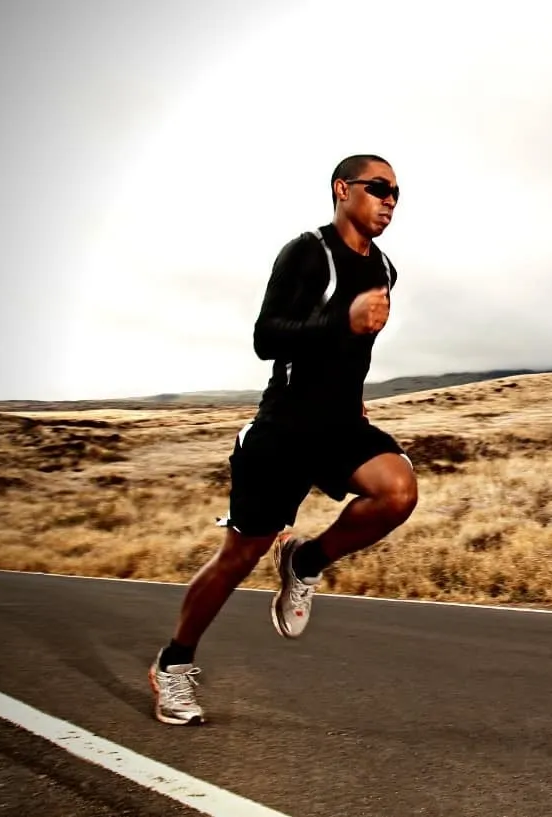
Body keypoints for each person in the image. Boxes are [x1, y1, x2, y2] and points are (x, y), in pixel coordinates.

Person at [149, 154, 419, 726]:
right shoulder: (307, 252)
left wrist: (354, 385)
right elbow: (267, 338)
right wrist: (339, 320)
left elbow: (356, 352)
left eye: (397, 192)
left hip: (342, 424)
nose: (390, 200)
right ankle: (174, 665)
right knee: (240, 555)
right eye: (379, 188)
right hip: (285, 429)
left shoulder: (387, 269)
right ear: (342, 190)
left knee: (398, 491)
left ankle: (306, 559)